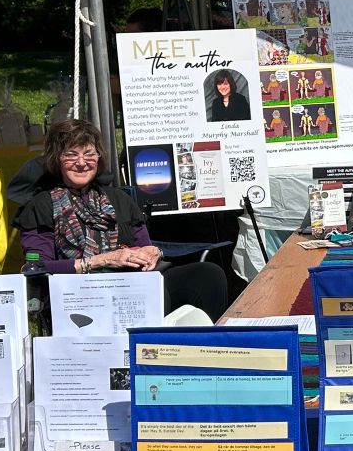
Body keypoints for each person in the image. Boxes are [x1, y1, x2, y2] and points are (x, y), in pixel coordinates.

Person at [13, 119, 228, 322]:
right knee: (147, 291)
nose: (81, 163)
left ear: (98, 157)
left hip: (132, 281)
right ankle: (151, 353)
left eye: (89, 154)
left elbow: (144, 246)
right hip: (79, 293)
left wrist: (153, 252)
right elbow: (38, 267)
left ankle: (207, 348)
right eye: (71, 155)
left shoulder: (118, 199)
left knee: (208, 275)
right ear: (56, 159)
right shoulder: (42, 204)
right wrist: (103, 260)